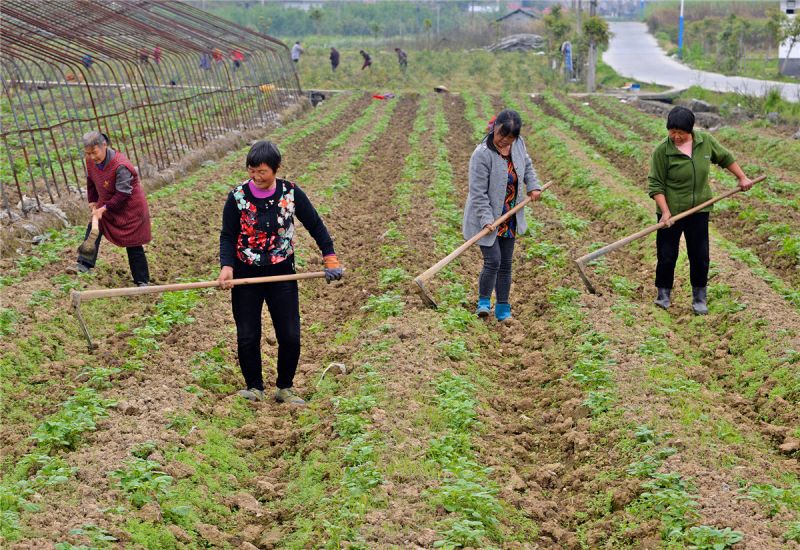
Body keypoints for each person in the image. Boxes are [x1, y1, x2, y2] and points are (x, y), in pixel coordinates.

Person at [218, 141, 343, 405]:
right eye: (252, 171)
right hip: (246, 272)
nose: (256, 177)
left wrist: (329, 257)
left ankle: (285, 388)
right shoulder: (237, 197)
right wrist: (227, 267)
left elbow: (315, 224)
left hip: (282, 271)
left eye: (262, 171)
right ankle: (254, 387)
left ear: (276, 169)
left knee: (289, 333)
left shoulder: (291, 193)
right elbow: (228, 235)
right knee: (248, 333)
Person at [648, 106, 754, 315]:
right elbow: (655, 184)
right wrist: (666, 212)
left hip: (699, 210)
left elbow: (725, 157)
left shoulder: (705, 142)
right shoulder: (662, 151)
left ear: (691, 130)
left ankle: (699, 298)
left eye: (681, 132)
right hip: (672, 212)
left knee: (700, 255)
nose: (676, 136)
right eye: (672, 131)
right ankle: (663, 296)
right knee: (667, 255)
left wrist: (742, 177)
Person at [462, 110, 541, 322]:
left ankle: (503, 308)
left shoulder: (518, 145)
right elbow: (477, 193)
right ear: (494, 127)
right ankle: (484, 303)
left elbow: (528, 166)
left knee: (506, 263)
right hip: (485, 217)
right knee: (493, 260)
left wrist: (533, 186)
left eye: (510, 137)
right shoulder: (482, 154)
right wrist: (487, 219)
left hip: (510, 214)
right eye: (501, 134)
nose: (504, 140)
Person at [66, 131, 151, 286]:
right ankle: (84, 264)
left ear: (104, 145)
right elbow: (91, 180)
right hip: (108, 204)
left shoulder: (120, 166)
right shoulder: (91, 160)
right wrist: (93, 201)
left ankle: (142, 281)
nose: (92, 157)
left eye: (94, 152)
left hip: (130, 209)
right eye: (88, 153)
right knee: (94, 227)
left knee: (133, 243)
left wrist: (103, 208)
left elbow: (123, 194)